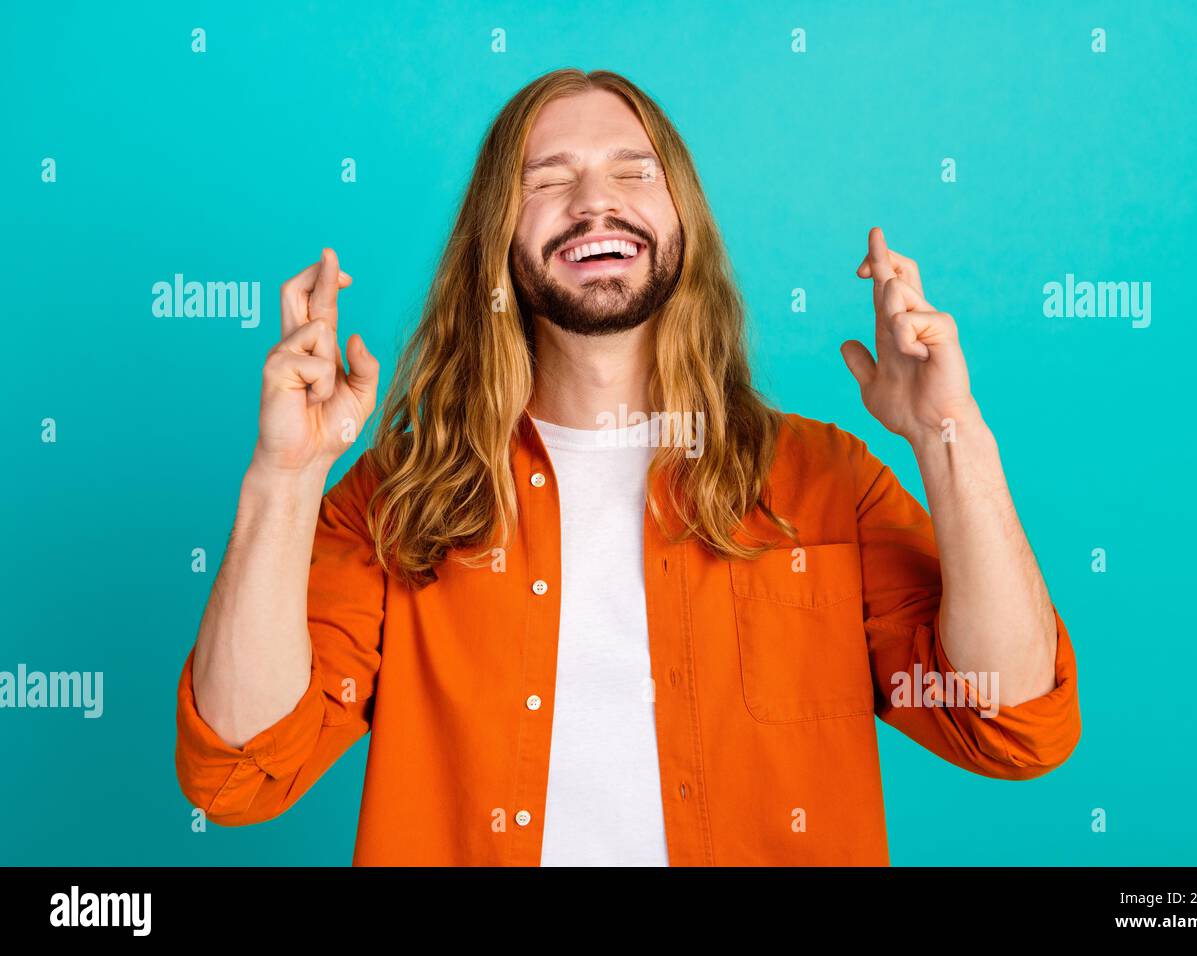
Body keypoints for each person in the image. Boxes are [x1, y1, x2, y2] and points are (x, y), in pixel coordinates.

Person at [175, 68, 1080, 866]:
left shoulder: (824, 481)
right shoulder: (401, 497)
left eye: (633, 171)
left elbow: (1010, 722)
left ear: (680, 215)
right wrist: (286, 475)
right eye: (549, 178)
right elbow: (239, 770)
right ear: (498, 236)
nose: (594, 201)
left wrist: (949, 435)